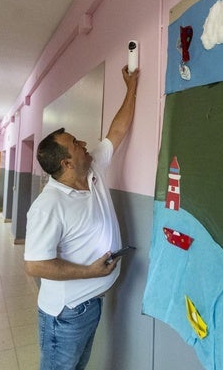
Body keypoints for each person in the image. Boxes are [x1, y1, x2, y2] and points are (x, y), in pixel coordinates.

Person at [24, 65, 139, 370]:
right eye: (76, 144)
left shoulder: (92, 170)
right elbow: (35, 265)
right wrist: (90, 272)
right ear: (66, 162)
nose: (85, 144)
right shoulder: (48, 206)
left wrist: (131, 87)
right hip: (65, 315)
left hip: (90, 305)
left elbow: (117, 131)